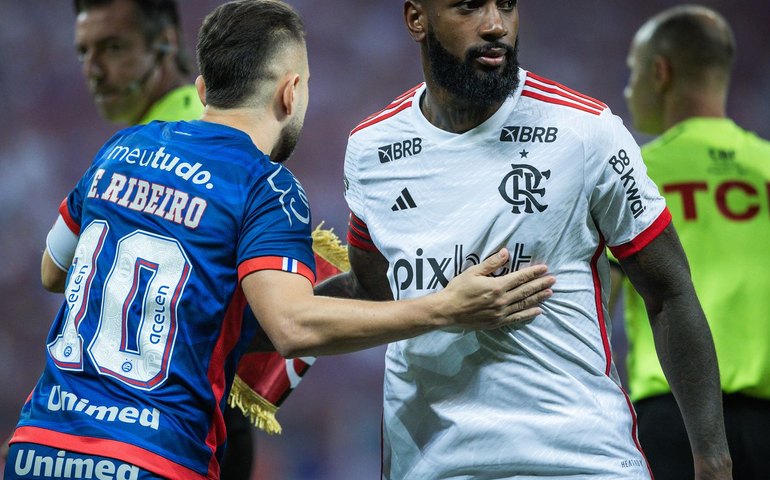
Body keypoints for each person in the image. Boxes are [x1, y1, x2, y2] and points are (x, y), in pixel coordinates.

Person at [2, 1, 554, 479]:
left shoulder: (122, 148)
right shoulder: (266, 186)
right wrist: (445, 308)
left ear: (202, 89)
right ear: (291, 92)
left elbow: (55, 272)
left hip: (39, 446)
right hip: (151, 457)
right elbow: (292, 325)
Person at [316, 0, 733, 478]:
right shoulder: (372, 150)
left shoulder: (586, 131)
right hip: (433, 465)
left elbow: (669, 292)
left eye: (507, 5)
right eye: (469, 7)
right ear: (417, 19)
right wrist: (257, 318)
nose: (496, 25)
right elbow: (373, 292)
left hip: (580, 461)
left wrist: (713, 457)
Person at [71, 2, 253, 478]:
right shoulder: (176, 134)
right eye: (84, 52)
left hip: (171, 435)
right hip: (188, 421)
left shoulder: (184, 141)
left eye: (112, 48)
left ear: (167, 42)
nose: (93, 71)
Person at [616, 5, 770, 479]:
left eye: (634, 72)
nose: (628, 88)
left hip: (674, 415)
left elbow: (594, 296)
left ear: (659, 73)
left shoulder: (634, 173)